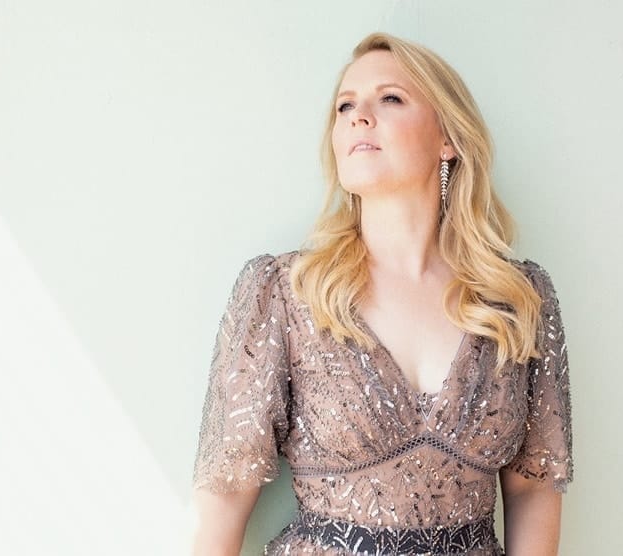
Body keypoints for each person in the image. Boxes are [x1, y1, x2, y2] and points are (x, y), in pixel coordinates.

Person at [191, 31, 573, 556]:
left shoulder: (517, 301)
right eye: (345, 105)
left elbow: (532, 488)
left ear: (448, 138)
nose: (358, 117)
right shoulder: (284, 293)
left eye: (390, 98)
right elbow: (223, 497)